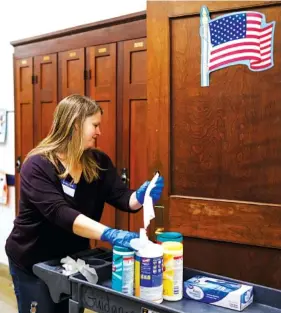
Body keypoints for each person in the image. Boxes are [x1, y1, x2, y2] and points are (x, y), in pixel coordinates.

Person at [5, 94, 164, 313]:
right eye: (95, 125)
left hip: (72, 260)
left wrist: (141, 196)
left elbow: (120, 197)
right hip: (33, 261)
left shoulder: (97, 162)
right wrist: (111, 233)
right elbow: (60, 213)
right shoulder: (38, 165)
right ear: (75, 125)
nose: (99, 132)